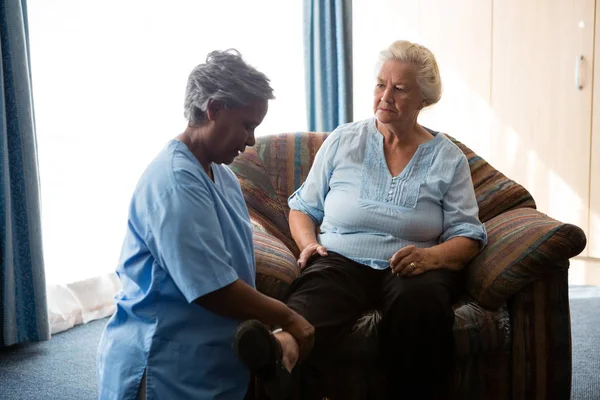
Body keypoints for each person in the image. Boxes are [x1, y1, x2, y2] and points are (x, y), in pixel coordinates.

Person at [235, 40, 488, 399]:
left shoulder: (448, 159)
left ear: (423, 99)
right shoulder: (344, 140)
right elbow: (303, 207)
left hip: (412, 265)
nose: (386, 96)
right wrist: (310, 245)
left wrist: (429, 258)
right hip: (340, 257)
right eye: (381, 84)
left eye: (400, 88)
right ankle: (280, 352)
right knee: (314, 298)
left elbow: (469, 235)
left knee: (420, 306)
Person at [96, 49, 314, 400]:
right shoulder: (174, 184)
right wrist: (287, 317)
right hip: (165, 366)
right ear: (213, 110)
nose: (251, 140)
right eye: (247, 125)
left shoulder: (222, 175)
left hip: (210, 360)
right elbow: (214, 289)